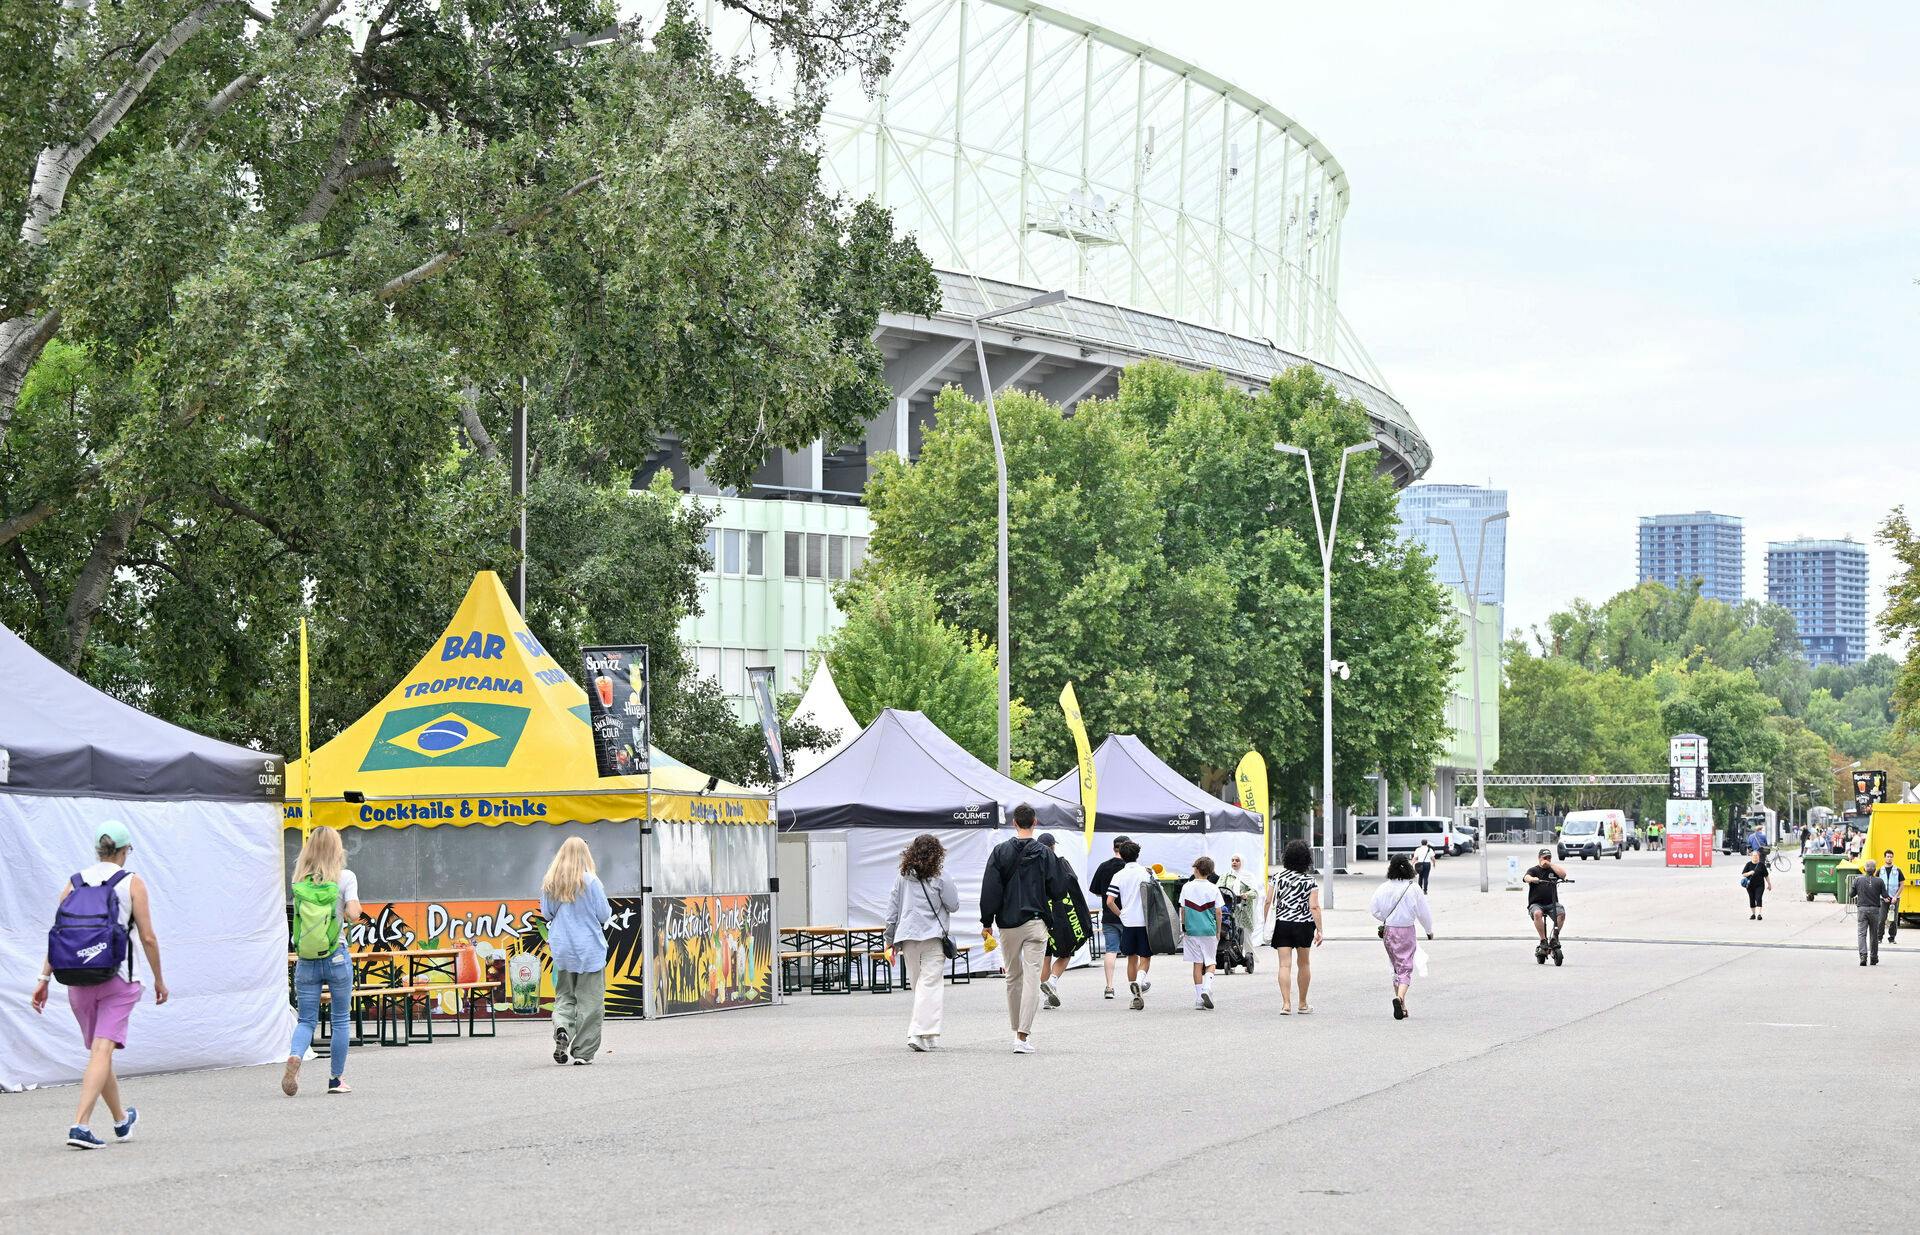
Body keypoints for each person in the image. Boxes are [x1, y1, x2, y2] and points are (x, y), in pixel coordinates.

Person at [32, 821, 169, 1148]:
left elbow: (60, 935)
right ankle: (80, 1125)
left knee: (99, 1052)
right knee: (101, 1051)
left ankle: (121, 1121)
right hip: (118, 979)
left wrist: (43, 978)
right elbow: (148, 937)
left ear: (98, 850)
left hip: (76, 981)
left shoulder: (74, 883)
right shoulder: (132, 882)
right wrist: (160, 980)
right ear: (124, 851)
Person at [980, 803, 1070, 1052]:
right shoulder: (1045, 853)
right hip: (1036, 920)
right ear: (1035, 823)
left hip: (1008, 923)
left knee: (1012, 976)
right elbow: (1059, 888)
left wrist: (986, 921)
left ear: (1014, 823)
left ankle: (1015, 1028)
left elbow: (990, 888)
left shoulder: (1000, 851)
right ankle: (1022, 1036)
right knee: (1032, 976)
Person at [284, 825, 359, 1097]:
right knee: (340, 1020)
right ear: (336, 849)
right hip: (336, 955)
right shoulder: (345, 877)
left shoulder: (299, 879)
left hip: (306, 959)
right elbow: (353, 913)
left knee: (305, 1020)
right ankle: (336, 1080)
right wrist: (354, 910)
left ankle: (295, 1056)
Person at [540, 837, 612, 1065]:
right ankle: (583, 1052)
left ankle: (562, 1029)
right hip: (589, 948)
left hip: (563, 949)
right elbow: (604, 914)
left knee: (564, 997)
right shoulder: (591, 882)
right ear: (585, 855)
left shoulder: (551, 881)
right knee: (590, 1002)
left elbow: (547, 914)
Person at [885, 834, 959, 1051]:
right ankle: (918, 1032)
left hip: (908, 937)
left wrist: (889, 940)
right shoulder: (941, 876)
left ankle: (929, 1033)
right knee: (931, 984)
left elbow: (892, 909)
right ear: (938, 853)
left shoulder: (902, 877)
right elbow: (953, 905)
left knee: (919, 984)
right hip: (933, 936)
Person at [1369, 853, 1435, 1020]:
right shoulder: (1413, 888)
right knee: (1406, 968)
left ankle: (1402, 1006)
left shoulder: (1383, 888)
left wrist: (1387, 918)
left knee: (1396, 967)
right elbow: (1424, 913)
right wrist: (1429, 930)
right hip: (1406, 930)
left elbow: (1374, 909)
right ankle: (1399, 998)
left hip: (1389, 931)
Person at [1263, 839, 1322, 1015]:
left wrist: (1266, 922)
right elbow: (1314, 907)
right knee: (1304, 964)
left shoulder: (1277, 877)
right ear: (1306, 859)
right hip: (1304, 925)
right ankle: (1302, 1004)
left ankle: (1286, 1004)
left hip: (1282, 924)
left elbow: (1268, 901)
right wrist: (1320, 929)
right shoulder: (1310, 881)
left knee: (1284, 965)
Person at [1034, 834, 1090, 1009]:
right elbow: (1073, 885)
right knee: (1065, 953)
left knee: (1045, 958)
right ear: (1052, 847)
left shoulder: (1032, 867)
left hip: (1040, 918)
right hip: (1061, 917)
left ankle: (1046, 998)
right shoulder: (1061, 864)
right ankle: (1052, 981)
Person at [1103, 838, 1156, 1011]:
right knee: (1145, 957)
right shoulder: (1147, 873)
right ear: (1138, 855)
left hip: (1128, 921)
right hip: (1144, 921)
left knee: (1131, 958)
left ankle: (1135, 995)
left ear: (1122, 856)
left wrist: (1121, 914)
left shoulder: (1118, 875)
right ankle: (1140, 982)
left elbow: (1110, 901)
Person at [1088, 837, 1130, 1000]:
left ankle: (1110, 986)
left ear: (1114, 848)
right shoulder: (1130, 867)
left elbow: (1097, 891)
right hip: (1129, 917)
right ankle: (1137, 983)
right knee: (1133, 953)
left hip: (1109, 915)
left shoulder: (1103, 866)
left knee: (1111, 950)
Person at [1180, 856, 1222, 1010]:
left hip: (1191, 930)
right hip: (1208, 929)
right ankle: (1207, 987)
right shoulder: (1213, 888)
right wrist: (1218, 931)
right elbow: (1218, 912)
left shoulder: (1187, 887)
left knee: (1197, 964)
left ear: (1196, 869)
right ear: (1210, 872)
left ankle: (1198, 999)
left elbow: (1183, 909)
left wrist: (1184, 926)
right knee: (1210, 962)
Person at [1524, 848, 1569, 957]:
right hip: (1536, 904)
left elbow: (1563, 875)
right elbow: (1526, 877)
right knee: (1537, 914)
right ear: (1539, 858)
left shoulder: (1553, 870)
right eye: (1545, 858)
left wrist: (1551, 865)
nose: (1547, 860)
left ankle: (1554, 938)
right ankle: (1543, 940)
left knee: (1561, 914)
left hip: (1551, 903)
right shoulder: (1534, 870)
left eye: (1549, 858)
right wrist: (1532, 879)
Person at [1852, 860, 1889, 966]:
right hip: (1875, 910)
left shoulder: (1857, 880)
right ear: (1875, 870)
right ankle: (1873, 957)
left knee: (1861, 934)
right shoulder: (1880, 881)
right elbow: (1885, 895)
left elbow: (1851, 894)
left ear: (1864, 869)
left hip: (1862, 909)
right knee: (1874, 935)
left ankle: (1863, 956)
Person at [1219, 854, 1259, 943]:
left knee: (1245, 938)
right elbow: (1218, 889)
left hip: (1244, 909)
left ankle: (1249, 956)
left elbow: (1255, 892)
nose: (1234, 862)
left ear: (1242, 862)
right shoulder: (1226, 876)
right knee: (1230, 935)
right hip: (1229, 909)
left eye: (1237, 860)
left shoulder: (1248, 876)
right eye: (1232, 860)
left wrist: (1246, 895)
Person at [1741, 848, 1772, 921]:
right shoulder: (1748, 864)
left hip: (1760, 885)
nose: (1755, 857)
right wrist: (1749, 873)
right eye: (1754, 856)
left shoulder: (1761, 865)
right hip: (1750, 885)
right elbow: (1743, 874)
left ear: (1759, 856)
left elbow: (1766, 875)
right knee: (1752, 899)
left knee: (1758, 898)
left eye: (1756, 856)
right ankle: (1753, 914)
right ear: (1751, 856)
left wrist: (1769, 884)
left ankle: (1759, 914)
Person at [1881, 850, 1903, 944]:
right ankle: (1879, 938)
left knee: (1893, 919)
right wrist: (1883, 896)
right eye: (1887, 856)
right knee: (1881, 919)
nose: (1889, 858)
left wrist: (1896, 896)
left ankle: (1892, 938)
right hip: (1883, 899)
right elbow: (1877, 885)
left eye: (1891, 857)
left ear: (1893, 858)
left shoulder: (1897, 870)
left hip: (1894, 899)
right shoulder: (1880, 870)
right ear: (1884, 858)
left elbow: (1902, 885)